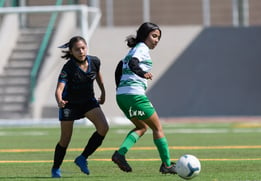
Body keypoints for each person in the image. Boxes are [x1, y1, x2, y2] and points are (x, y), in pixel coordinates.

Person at [112, 22, 177, 174]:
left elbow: (119, 68)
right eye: (154, 36)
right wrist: (143, 74)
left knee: (142, 127)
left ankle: (120, 154)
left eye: (158, 38)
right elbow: (134, 64)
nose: (156, 40)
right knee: (157, 128)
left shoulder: (133, 50)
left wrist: (120, 88)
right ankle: (166, 165)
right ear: (144, 35)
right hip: (135, 96)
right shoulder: (142, 48)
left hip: (122, 97)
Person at [51, 36, 109, 178]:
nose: (81, 51)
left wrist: (103, 92)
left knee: (103, 128)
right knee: (65, 139)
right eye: (77, 49)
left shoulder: (94, 61)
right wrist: (59, 100)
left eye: (83, 48)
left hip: (88, 102)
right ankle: (55, 168)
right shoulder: (69, 67)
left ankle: (82, 158)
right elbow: (59, 88)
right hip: (69, 104)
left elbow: (98, 78)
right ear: (71, 51)